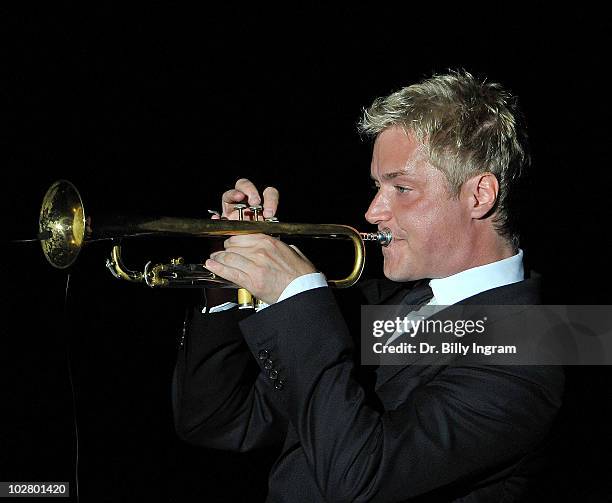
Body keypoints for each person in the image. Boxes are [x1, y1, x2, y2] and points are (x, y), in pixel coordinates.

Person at [172, 71, 564, 502]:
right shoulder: (386, 307)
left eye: (401, 188)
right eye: (378, 186)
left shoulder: (538, 345)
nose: (374, 211)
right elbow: (218, 421)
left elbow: (360, 481)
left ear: (479, 196)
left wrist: (297, 300)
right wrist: (227, 288)